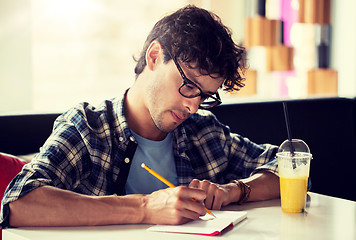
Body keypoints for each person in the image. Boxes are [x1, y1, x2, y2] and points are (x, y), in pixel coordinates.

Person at [0, 5, 279, 228]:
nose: (193, 106)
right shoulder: (88, 129)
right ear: (155, 56)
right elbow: (18, 203)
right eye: (189, 85)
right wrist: (145, 208)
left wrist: (236, 190)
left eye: (204, 96)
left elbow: (288, 167)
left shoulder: (203, 132)